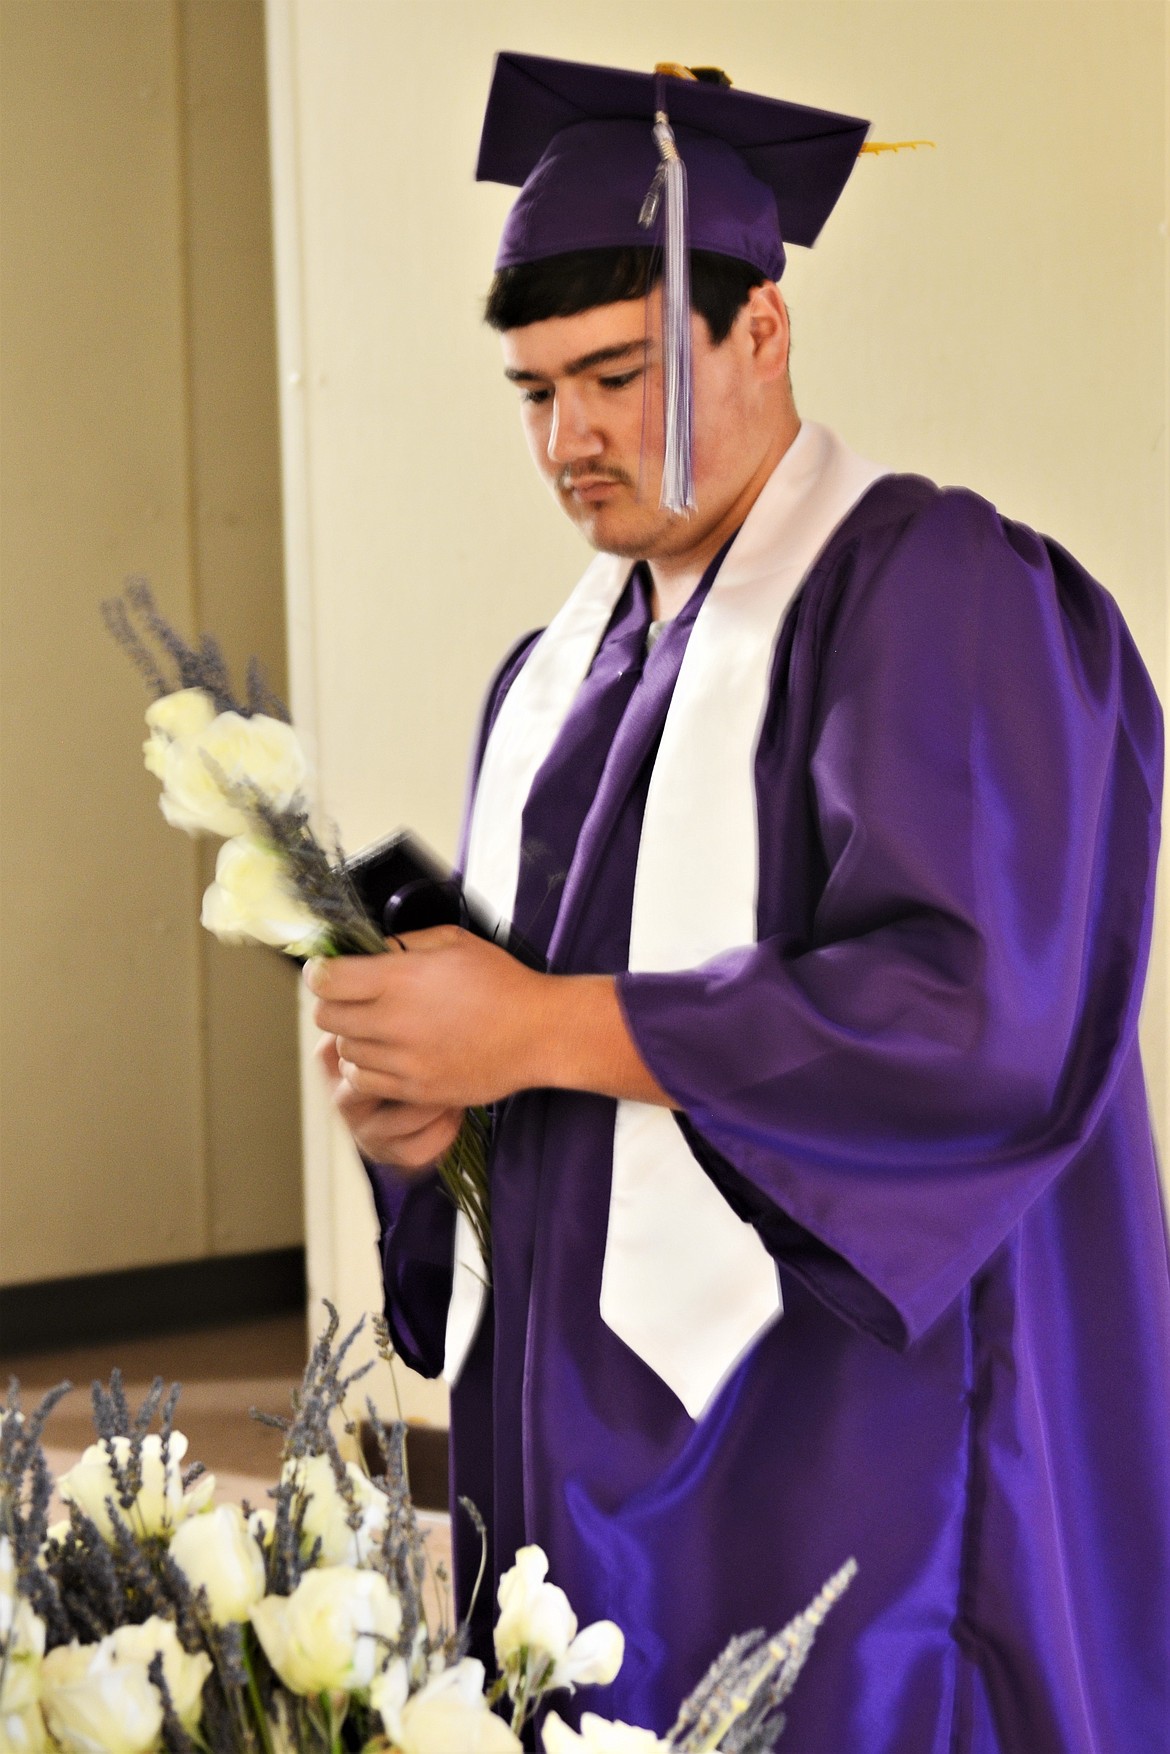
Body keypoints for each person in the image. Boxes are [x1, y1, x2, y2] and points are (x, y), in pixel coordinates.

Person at [305, 52, 1170, 1753]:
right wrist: (423, 1127)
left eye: (618, 376)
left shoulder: (934, 590)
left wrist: (537, 1021)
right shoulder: (551, 676)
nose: (568, 441)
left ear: (758, 333)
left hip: (856, 1446)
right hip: (582, 1442)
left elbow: (974, 1013)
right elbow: (532, 1097)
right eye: (534, 391)